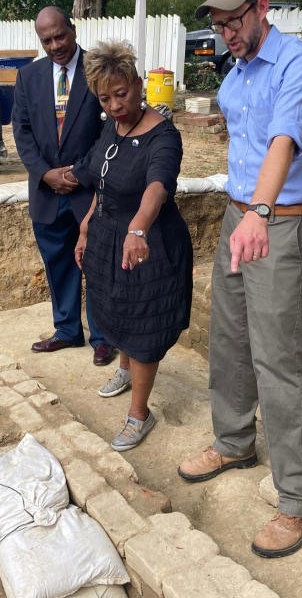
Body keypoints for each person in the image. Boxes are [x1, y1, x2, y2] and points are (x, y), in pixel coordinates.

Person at [177, 0, 302, 558]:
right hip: (241, 216)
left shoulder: (298, 64)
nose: (225, 35)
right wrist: (243, 215)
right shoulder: (235, 75)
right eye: (217, 27)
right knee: (230, 339)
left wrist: (261, 215)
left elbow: (283, 144)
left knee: (280, 359)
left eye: (232, 22)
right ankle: (235, 441)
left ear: (262, 6)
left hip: (281, 224)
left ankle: (299, 502)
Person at [74, 40, 192, 452]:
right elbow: (100, 182)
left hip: (149, 244)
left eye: (121, 94)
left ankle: (140, 413)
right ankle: (124, 369)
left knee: (143, 325)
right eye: (105, 98)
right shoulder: (112, 126)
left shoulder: (164, 135)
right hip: (109, 238)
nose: (115, 105)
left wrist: (138, 229)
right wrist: (87, 227)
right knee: (115, 311)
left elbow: (157, 187)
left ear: (139, 84)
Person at [12, 6, 116, 366]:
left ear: (73, 29)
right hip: (46, 193)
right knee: (58, 263)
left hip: (88, 191)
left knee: (97, 263)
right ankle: (67, 330)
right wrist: (45, 174)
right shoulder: (28, 78)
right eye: (47, 40)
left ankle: (103, 337)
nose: (55, 45)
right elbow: (22, 133)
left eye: (60, 36)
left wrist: (79, 173)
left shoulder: (98, 70)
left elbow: (110, 129)